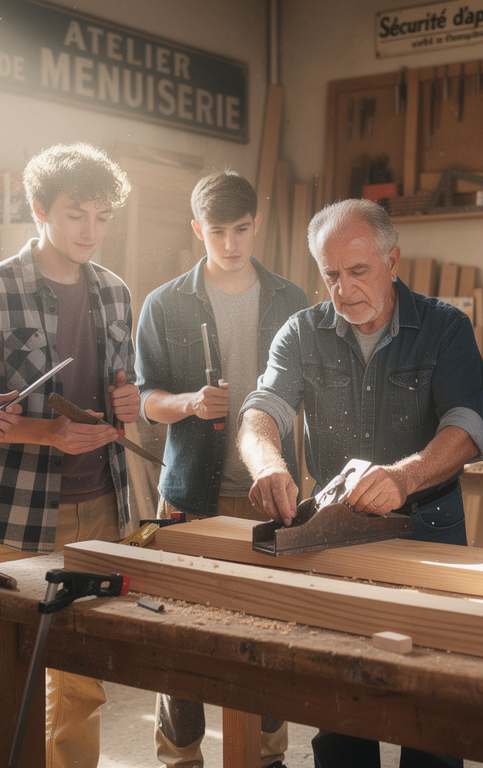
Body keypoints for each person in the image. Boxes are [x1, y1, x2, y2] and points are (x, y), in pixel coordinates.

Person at [240, 198, 483, 768]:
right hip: (337, 544)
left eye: (358, 272)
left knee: (432, 716)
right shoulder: (301, 333)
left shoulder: (445, 327)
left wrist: (405, 476)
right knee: (343, 714)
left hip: (429, 539)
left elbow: (467, 427)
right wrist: (267, 464)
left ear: (392, 261)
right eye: (330, 274)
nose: (343, 290)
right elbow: (262, 410)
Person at [0, 143, 139, 768]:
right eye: (77, 214)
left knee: (81, 678)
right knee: (8, 671)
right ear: (39, 207)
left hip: (102, 504)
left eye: (103, 216)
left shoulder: (115, 292)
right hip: (18, 513)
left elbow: (117, 389)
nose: (91, 230)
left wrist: (126, 400)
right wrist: (48, 434)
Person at [134, 172, 306, 768]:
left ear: (256, 224)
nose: (230, 244)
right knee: (176, 634)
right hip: (188, 493)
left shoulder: (291, 300)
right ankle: (181, 757)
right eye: (216, 232)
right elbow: (144, 399)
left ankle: (265, 755)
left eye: (240, 230)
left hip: (269, 492)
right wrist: (188, 404)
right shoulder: (164, 303)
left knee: (266, 634)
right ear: (196, 230)